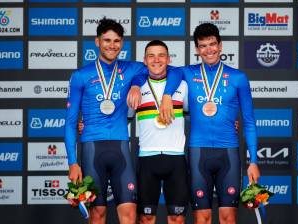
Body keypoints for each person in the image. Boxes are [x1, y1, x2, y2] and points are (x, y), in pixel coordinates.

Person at [158, 23, 260, 224]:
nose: (208, 50)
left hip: (228, 152)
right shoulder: (188, 73)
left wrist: (254, 160)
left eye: (212, 44)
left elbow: (248, 121)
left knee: (228, 218)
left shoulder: (238, 78)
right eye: (203, 46)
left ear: (220, 46)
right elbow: (172, 72)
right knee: (202, 218)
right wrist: (167, 94)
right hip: (199, 153)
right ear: (197, 50)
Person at [65, 18, 147, 224]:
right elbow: (70, 123)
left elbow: (148, 69)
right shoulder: (81, 76)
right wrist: (73, 162)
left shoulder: (131, 69)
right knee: (98, 215)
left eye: (117, 41)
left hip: (121, 149)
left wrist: (136, 86)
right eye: (107, 40)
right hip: (93, 149)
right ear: (97, 42)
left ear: (122, 43)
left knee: (129, 215)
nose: (112, 45)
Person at [134, 40, 189, 224]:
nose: (156, 60)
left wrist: (231, 123)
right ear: (144, 60)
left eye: (161, 55)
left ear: (169, 59)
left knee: (177, 218)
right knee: (146, 218)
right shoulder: (136, 88)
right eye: (151, 55)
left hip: (176, 158)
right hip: (147, 158)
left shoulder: (182, 86)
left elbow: (196, 115)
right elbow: (120, 117)